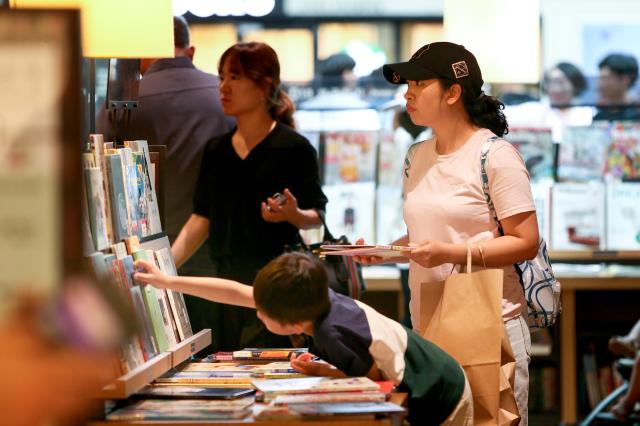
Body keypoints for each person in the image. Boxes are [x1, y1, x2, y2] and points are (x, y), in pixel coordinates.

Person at [356, 41, 539, 425]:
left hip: (491, 324)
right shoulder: (416, 156)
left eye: (419, 84)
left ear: (453, 92)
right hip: (428, 325)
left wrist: (448, 253)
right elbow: (428, 236)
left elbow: (525, 241)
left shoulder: (495, 155)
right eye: (407, 85)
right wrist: (388, 251)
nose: (408, 93)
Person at [133, 252, 473, 425]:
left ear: (293, 323)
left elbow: (376, 394)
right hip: (432, 375)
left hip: (441, 396)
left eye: (264, 314)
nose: (258, 313)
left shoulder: (332, 332)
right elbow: (236, 292)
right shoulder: (314, 297)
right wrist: (166, 281)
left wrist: (333, 378)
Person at [171, 42, 328, 352]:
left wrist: (292, 214)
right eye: (221, 77)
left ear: (263, 85)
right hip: (225, 287)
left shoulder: (293, 148)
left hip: (279, 290)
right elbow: (201, 218)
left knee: (278, 371)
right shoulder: (217, 150)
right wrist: (165, 270)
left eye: (235, 77)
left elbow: (317, 218)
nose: (223, 87)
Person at [97, 16, 233, 277]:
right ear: (190, 51)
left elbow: (102, 171)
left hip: (143, 249)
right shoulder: (224, 95)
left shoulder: (122, 102)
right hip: (217, 250)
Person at [504, 62, 593, 142]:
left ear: (575, 85)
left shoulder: (587, 113)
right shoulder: (537, 110)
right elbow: (502, 115)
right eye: (550, 82)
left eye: (561, 83)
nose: (555, 88)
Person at [594, 53, 640, 121]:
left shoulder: (637, 114)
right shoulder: (600, 117)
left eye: (605, 78)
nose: (599, 84)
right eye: (599, 78)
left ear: (625, 80)